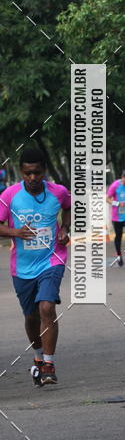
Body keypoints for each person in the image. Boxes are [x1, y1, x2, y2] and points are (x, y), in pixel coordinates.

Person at [0, 147, 71, 386]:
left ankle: (49, 363)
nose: (33, 178)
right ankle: (39, 357)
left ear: (45, 171)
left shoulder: (58, 192)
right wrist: (15, 232)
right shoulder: (10, 195)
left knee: (47, 307)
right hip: (22, 267)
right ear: (21, 171)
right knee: (31, 317)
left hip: (52, 259)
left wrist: (64, 229)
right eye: (28, 173)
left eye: (37, 173)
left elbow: (70, 208)